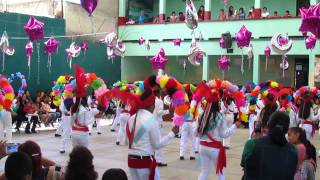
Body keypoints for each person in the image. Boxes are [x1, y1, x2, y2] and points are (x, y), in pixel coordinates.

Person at [127, 90, 179, 180]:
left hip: (131, 161)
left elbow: (127, 141)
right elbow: (157, 145)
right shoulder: (150, 120)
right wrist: (172, 134)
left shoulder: (131, 118)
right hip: (144, 162)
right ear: (152, 104)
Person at [241, 112, 298, 180]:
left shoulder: (251, 144)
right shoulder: (294, 150)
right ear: (287, 130)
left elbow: (244, 165)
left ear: (268, 125)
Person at [197, 99, 241, 180]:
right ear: (218, 104)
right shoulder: (219, 116)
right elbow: (224, 134)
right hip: (215, 149)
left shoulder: (201, 115)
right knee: (220, 173)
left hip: (202, 147)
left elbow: (196, 132)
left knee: (204, 172)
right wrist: (235, 126)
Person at [153, 90, 170, 166]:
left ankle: (153, 158)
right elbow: (159, 112)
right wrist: (168, 111)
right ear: (158, 93)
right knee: (159, 141)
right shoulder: (159, 101)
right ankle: (158, 160)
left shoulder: (150, 100)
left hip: (150, 122)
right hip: (157, 123)